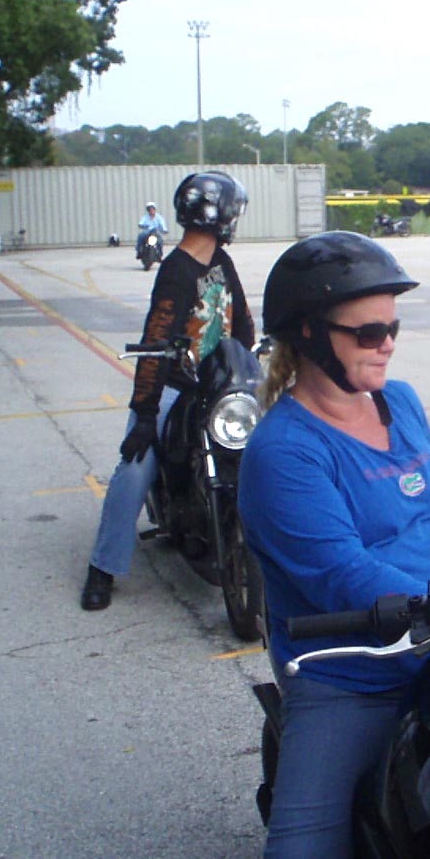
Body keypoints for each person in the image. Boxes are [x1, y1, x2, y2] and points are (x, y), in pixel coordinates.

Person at [238, 231, 430, 858]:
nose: (388, 344)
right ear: (310, 336)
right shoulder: (284, 451)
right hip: (356, 673)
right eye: (369, 333)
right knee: (302, 849)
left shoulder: (399, 401)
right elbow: (341, 573)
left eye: (393, 328)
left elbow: (428, 517)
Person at [81, 171, 254, 611]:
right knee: (136, 467)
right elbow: (155, 342)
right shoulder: (177, 271)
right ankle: (103, 567)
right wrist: (144, 413)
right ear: (220, 216)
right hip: (177, 389)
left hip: (219, 387)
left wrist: (252, 370)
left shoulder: (221, 262)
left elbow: (242, 325)